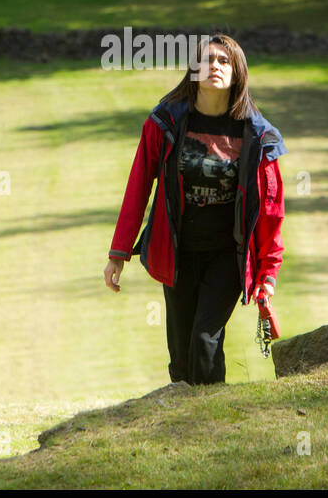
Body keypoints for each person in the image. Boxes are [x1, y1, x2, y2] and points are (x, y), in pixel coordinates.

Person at [104, 33, 287, 385]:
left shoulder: (258, 135)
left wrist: (268, 274)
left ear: (237, 73)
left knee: (205, 341)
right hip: (176, 251)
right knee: (181, 353)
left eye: (224, 61)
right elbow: (138, 187)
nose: (214, 67)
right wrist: (119, 254)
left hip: (228, 257)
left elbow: (271, 211)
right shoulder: (166, 122)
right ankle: (186, 425)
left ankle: (210, 421)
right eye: (207, 60)